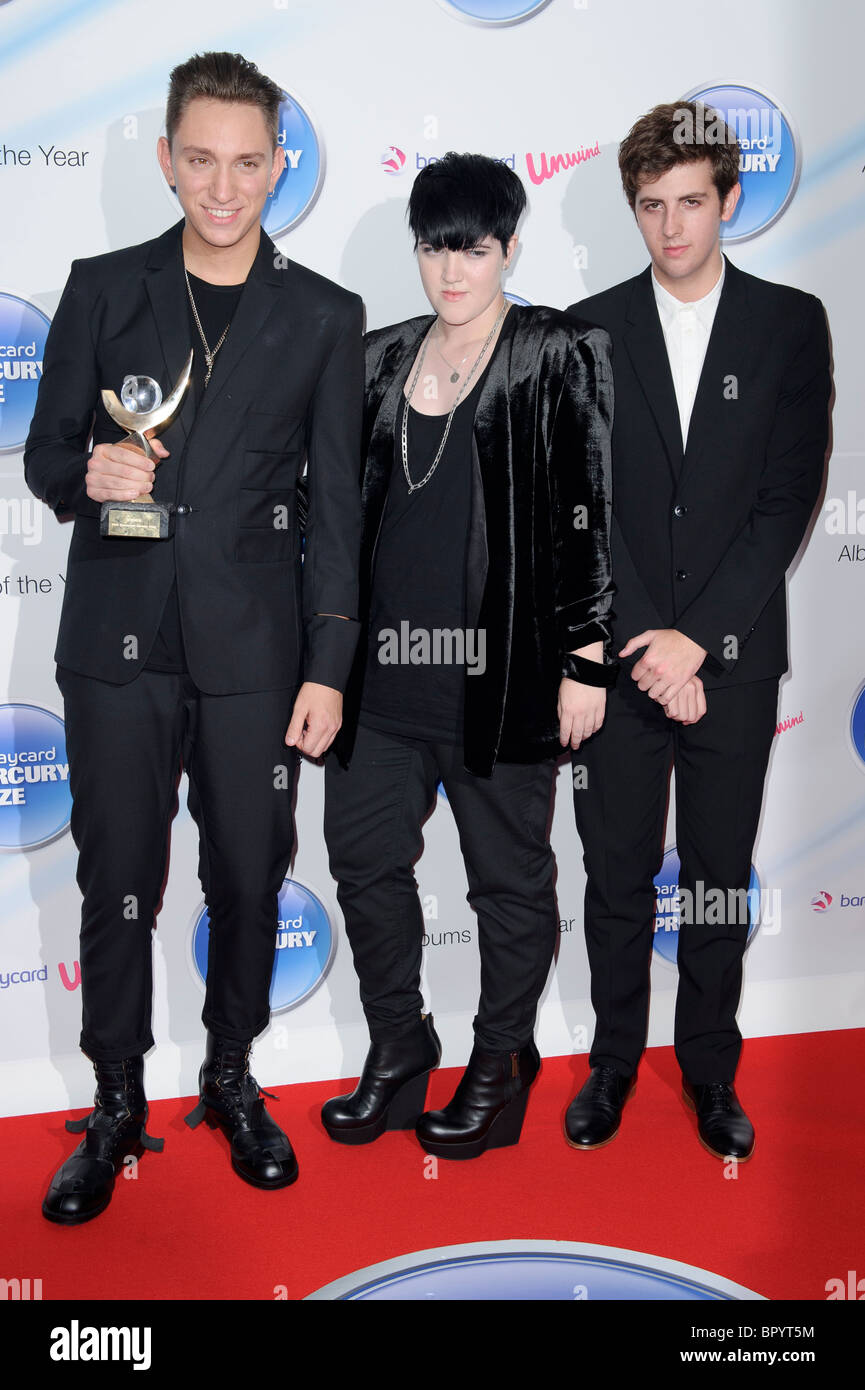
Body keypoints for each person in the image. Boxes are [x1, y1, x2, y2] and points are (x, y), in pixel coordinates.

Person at [24, 51, 363, 1221]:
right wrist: (87, 468)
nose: (225, 188)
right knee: (116, 877)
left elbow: (338, 509)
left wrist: (328, 664)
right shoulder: (104, 285)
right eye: (202, 160)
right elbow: (42, 456)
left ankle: (229, 1078)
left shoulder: (324, 314)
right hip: (116, 641)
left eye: (249, 163)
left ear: (279, 166)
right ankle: (116, 1103)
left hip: (256, 653)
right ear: (167, 161)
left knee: (250, 879)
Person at [322, 151, 617, 1161]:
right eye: (434, 249)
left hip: (503, 684)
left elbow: (588, 513)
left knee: (509, 882)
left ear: (509, 250)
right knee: (363, 862)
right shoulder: (376, 358)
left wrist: (586, 659)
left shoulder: (555, 350)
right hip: (382, 681)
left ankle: (498, 1064)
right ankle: (401, 1047)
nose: (452, 272)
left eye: (474, 251)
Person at [564, 101, 831, 1161]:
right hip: (625, 659)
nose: (670, 226)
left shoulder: (787, 323)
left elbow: (786, 500)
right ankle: (615, 1063)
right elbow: (580, 502)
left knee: (718, 873)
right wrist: (644, 640)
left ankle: (710, 1069)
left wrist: (699, 641)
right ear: (631, 211)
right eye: (649, 206)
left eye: (688, 202)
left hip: (730, 662)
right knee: (616, 872)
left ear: (727, 199)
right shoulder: (585, 329)